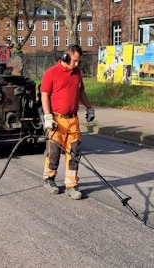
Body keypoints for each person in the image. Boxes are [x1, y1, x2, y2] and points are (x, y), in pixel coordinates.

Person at [40, 44, 95, 200]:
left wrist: (90, 108)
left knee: (74, 152)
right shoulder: (51, 73)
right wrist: (48, 116)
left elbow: (81, 92)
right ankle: (49, 180)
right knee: (54, 152)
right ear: (66, 56)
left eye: (78, 61)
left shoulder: (77, 73)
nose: (77, 64)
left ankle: (71, 185)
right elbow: (45, 95)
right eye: (75, 61)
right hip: (57, 120)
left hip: (73, 120)